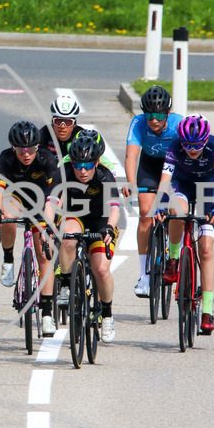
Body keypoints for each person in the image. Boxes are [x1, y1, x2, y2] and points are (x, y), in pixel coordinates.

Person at [156, 115, 214, 334]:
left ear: (206, 140)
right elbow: (165, 182)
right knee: (176, 211)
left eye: (197, 146)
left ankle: (207, 311)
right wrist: (159, 204)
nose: (191, 150)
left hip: (208, 187)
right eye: (187, 145)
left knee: (205, 250)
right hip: (182, 184)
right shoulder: (174, 147)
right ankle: (174, 259)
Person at [0, 121, 61, 335]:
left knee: (44, 257)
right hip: (17, 198)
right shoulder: (6, 158)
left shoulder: (47, 158)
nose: (26, 154)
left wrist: (48, 223)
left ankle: (47, 314)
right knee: (7, 215)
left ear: (37, 147)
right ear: (14, 148)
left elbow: (54, 196)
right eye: (22, 150)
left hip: (42, 202)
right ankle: (8, 259)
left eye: (30, 149)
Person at [56, 131, 120, 342]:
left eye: (88, 165)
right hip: (75, 216)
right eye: (78, 165)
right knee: (68, 237)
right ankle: (65, 285)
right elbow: (52, 201)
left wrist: (110, 227)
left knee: (101, 269)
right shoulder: (63, 171)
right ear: (71, 162)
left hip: (101, 221)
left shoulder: (105, 175)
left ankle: (108, 314)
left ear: (97, 162)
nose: (83, 171)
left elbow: (114, 208)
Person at [123, 85, 183, 298]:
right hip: (149, 166)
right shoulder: (139, 123)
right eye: (149, 115)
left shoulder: (178, 125)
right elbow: (131, 156)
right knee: (146, 213)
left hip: (174, 168)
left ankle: (174, 257)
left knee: (177, 211)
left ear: (168, 113)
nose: (154, 120)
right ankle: (144, 276)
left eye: (158, 115)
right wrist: (131, 183)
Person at [41, 94, 117, 172]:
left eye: (68, 122)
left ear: (74, 124)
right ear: (52, 122)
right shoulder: (43, 134)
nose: (62, 126)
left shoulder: (81, 136)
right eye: (58, 121)